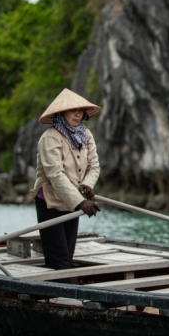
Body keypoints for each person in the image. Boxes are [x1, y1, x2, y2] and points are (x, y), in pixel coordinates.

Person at [30, 88, 102, 271]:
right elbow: (55, 175)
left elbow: (94, 166)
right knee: (58, 257)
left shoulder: (85, 135)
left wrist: (86, 185)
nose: (78, 114)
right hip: (51, 202)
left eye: (80, 111)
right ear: (61, 113)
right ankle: (56, 295)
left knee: (68, 255)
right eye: (72, 110)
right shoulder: (50, 138)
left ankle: (63, 293)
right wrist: (81, 202)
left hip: (72, 203)